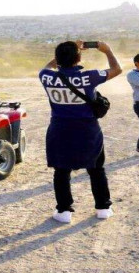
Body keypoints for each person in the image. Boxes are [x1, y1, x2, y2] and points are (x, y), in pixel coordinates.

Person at [39, 40, 122, 223]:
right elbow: (117, 69)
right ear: (78, 57)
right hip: (87, 130)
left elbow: (47, 67)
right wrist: (107, 50)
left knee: (61, 171)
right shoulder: (89, 77)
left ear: (58, 58)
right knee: (96, 168)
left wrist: (61, 56)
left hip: (59, 129)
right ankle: (103, 207)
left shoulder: (45, 76)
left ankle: (64, 211)